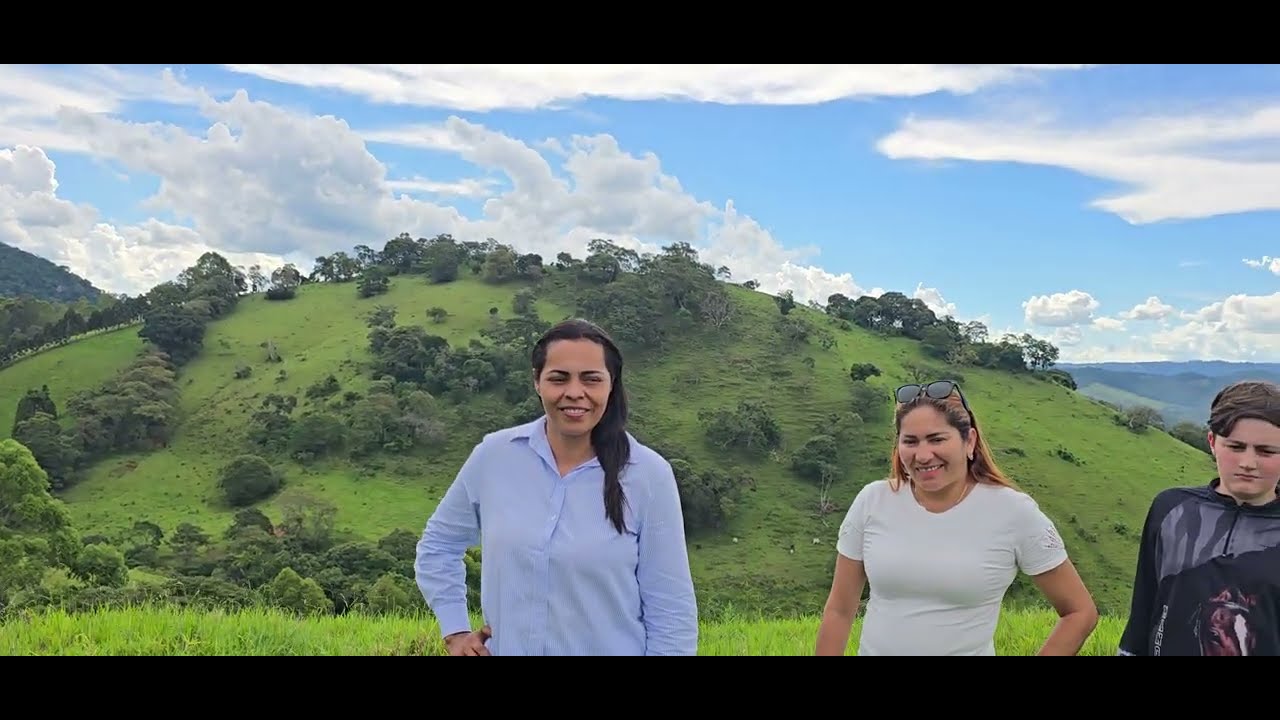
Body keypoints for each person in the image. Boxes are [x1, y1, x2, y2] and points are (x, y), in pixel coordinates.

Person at [414, 318, 699, 656]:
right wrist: (456, 632)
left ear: (611, 385)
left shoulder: (648, 475)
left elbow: (671, 608)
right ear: (537, 381)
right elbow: (438, 546)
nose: (574, 392)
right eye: (558, 378)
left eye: (591, 379)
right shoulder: (494, 457)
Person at [814, 379, 1099, 656]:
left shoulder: (1013, 512)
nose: (923, 455)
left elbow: (1079, 612)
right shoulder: (873, 500)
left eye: (937, 439)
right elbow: (840, 609)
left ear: (969, 440)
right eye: (910, 441)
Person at [1117, 380, 1280, 656]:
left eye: (1266, 451)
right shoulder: (1171, 509)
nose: (1248, 463)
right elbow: (1145, 604)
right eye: (1236, 447)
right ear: (1212, 443)